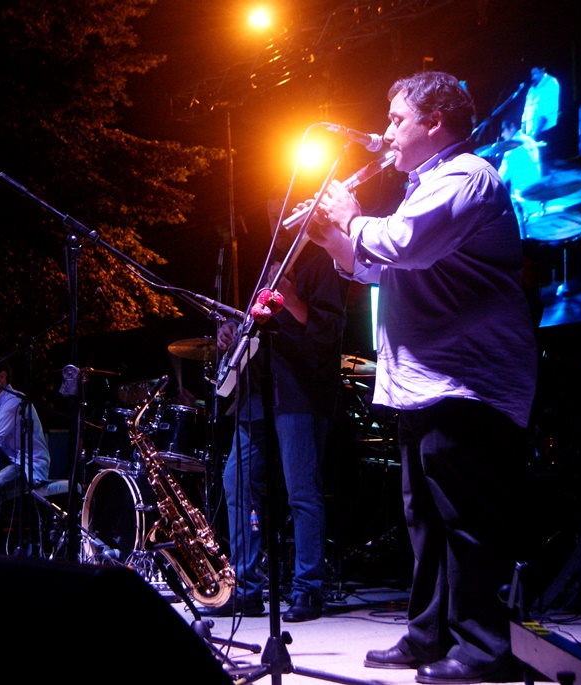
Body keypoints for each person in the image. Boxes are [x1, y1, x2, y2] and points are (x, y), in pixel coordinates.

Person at [305, 71, 538, 683]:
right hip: (425, 381)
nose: (385, 132)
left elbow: (404, 244)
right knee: (426, 520)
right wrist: (332, 240)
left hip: (467, 380)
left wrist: (351, 219)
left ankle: (485, 650)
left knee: (466, 518)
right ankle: (429, 636)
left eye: (396, 120)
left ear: (434, 123)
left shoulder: (466, 176)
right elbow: (383, 269)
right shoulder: (425, 187)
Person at [202, 235, 348, 622]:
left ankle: (308, 589)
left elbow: (328, 332)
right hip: (256, 390)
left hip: (298, 393)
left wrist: (292, 299)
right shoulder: (270, 262)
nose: (273, 218)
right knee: (236, 481)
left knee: (301, 491)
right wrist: (232, 329)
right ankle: (246, 589)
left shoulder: (321, 262)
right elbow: (256, 322)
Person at [0, 357, 52, 553]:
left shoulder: (14, 402)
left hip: (29, 466)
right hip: (16, 464)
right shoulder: (0, 404)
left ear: (2, 377)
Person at [497, 118, 543, 234]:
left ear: (512, 127)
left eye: (503, 130)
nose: (502, 135)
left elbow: (500, 178)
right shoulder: (529, 140)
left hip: (523, 197)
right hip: (537, 193)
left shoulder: (512, 149)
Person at [521, 65, 561, 167]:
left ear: (543, 70)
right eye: (532, 74)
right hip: (531, 133)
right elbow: (526, 108)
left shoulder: (551, 83)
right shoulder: (532, 88)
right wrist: (523, 126)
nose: (533, 77)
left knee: (546, 165)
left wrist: (535, 134)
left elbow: (546, 113)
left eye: (535, 73)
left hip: (544, 131)